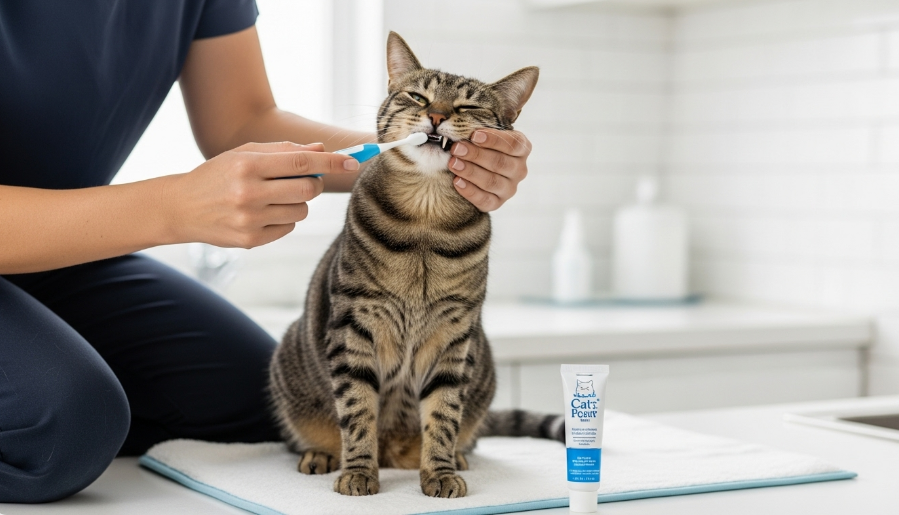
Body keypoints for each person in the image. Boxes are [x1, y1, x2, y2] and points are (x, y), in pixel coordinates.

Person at [0, 1, 532, 503]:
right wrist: (174, 207)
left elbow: (241, 121)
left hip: (66, 257)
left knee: (251, 401)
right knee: (67, 432)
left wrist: (425, 157)